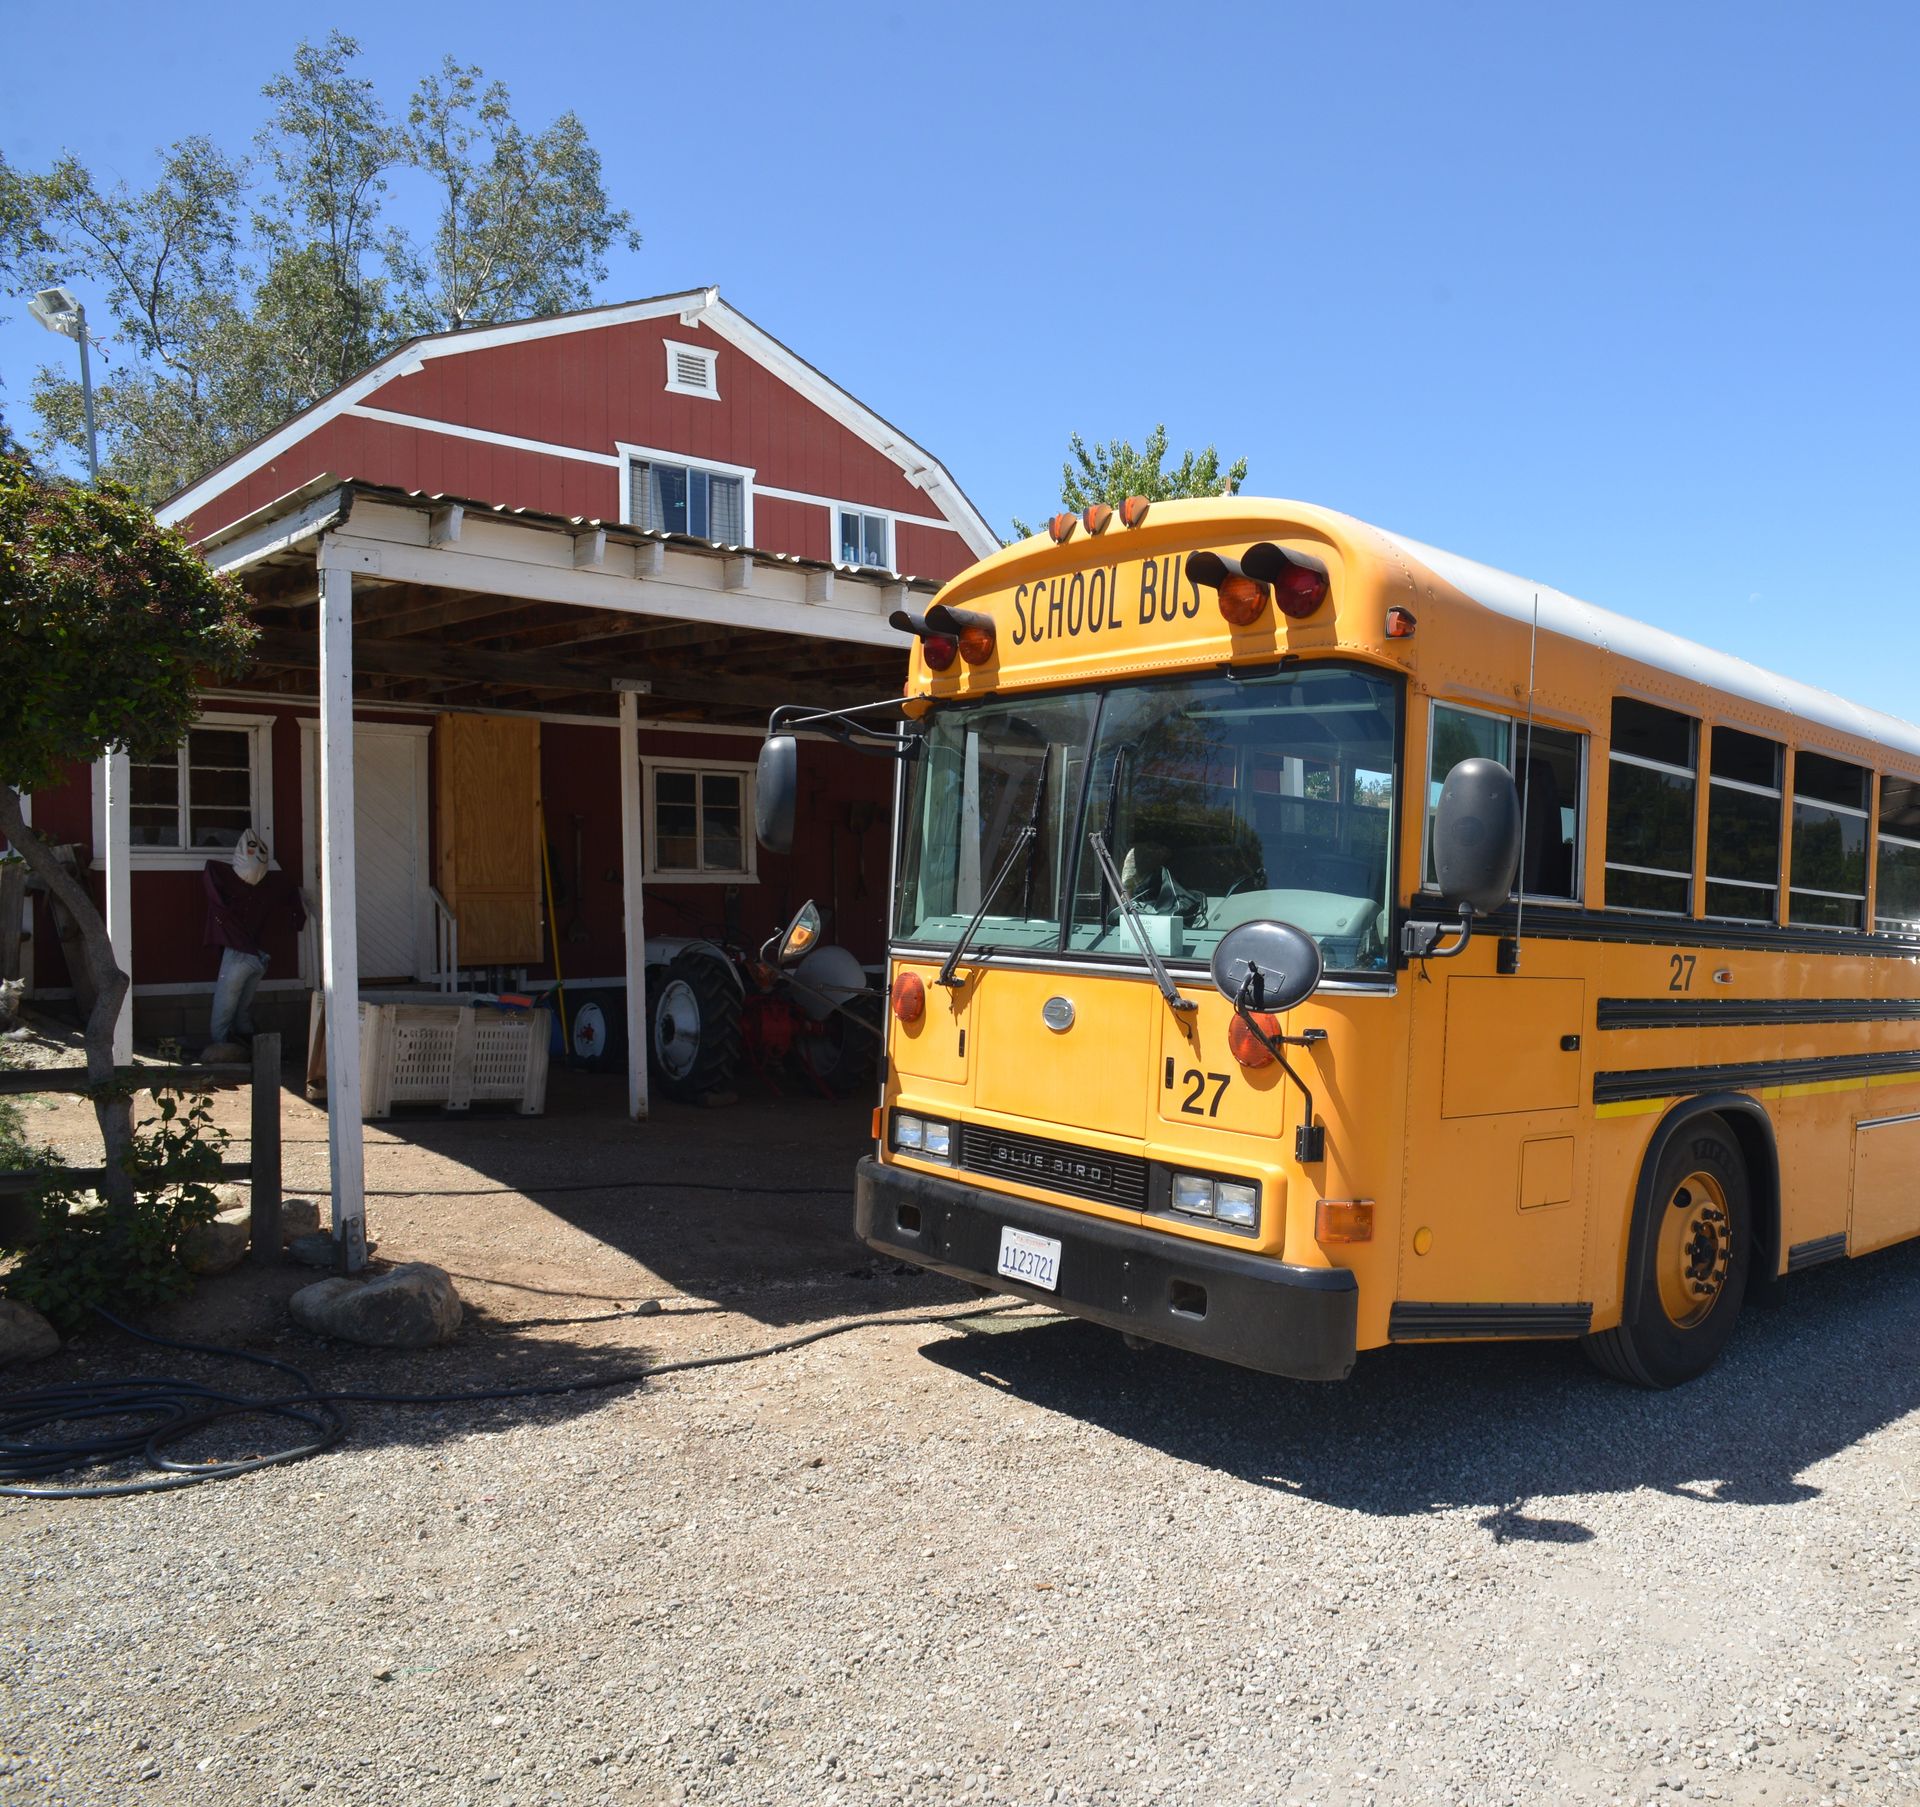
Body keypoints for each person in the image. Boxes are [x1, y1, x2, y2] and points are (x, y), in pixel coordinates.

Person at [201, 829, 304, 1060]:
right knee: (242, 1007)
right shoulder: (270, 889)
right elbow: (292, 901)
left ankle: (223, 1045)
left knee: (225, 1005)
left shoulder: (224, 881)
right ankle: (246, 1041)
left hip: (239, 953)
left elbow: (211, 872)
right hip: (260, 955)